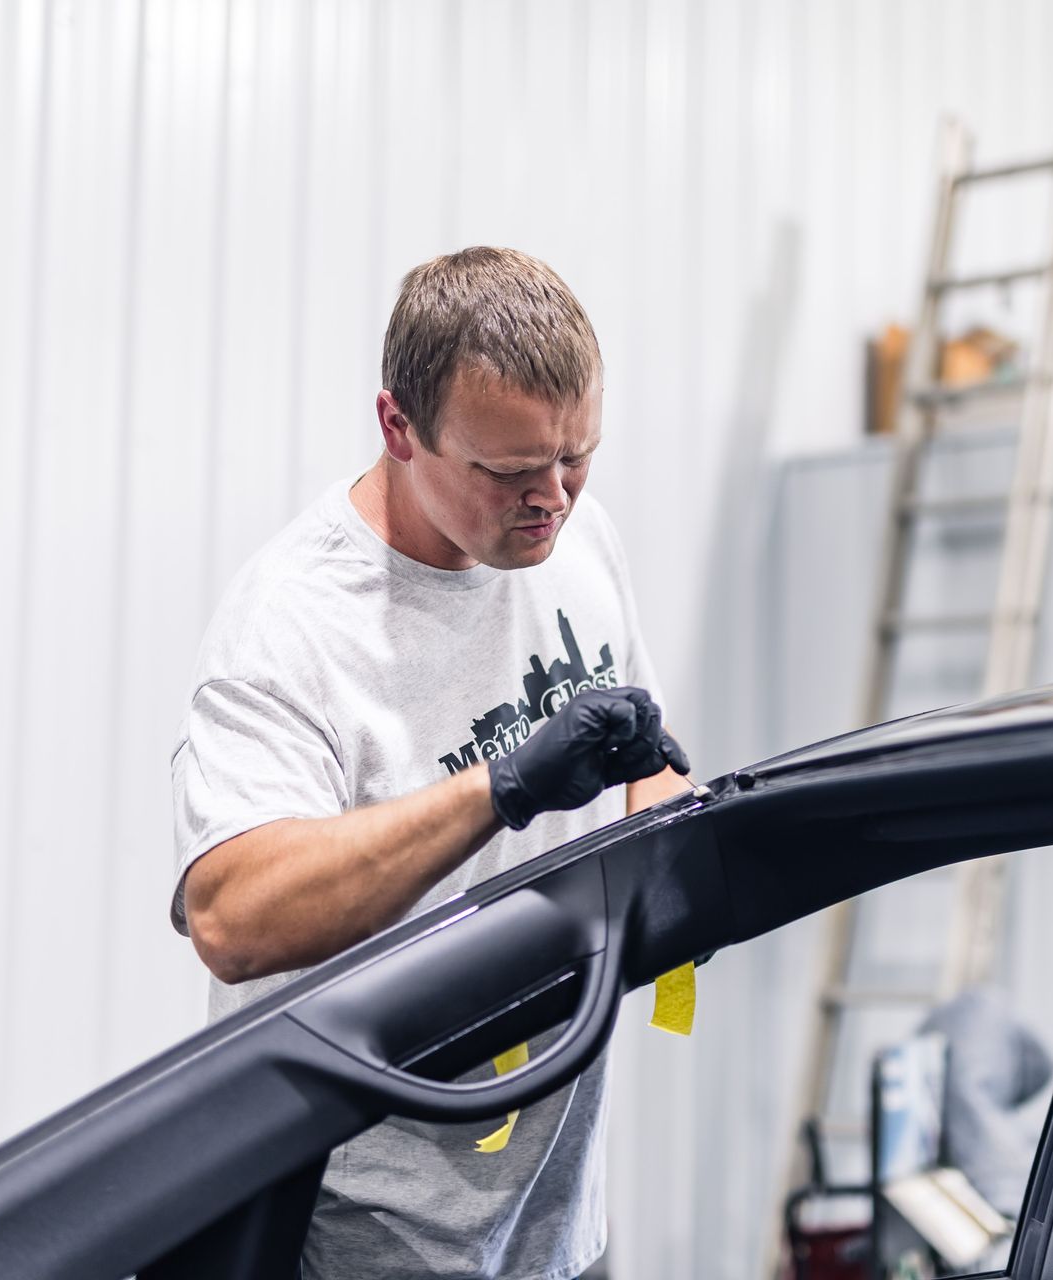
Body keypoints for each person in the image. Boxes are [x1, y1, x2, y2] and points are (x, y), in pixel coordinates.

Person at [169, 246, 690, 1280]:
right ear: (397, 426)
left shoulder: (580, 546)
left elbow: (652, 766)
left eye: (577, 455)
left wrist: (674, 835)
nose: (553, 498)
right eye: (507, 471)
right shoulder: (295, 625)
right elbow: (232, 915)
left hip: (560, 1218)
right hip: (371, 1235)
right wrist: (499, 787)